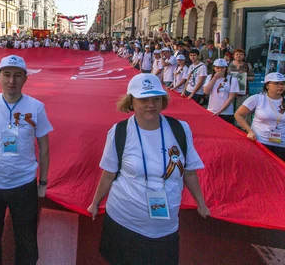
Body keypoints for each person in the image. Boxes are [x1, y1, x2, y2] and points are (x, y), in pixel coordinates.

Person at [87, 74, 209, 265]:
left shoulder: (180, 129)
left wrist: (201, 203)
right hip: (124, 221)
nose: (151, 104)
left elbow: (189, 171)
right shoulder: (119, 132)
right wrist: (95, 203)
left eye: (156, 98)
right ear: (131, 102)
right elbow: (109, 173)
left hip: (165, 227)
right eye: (143, 99)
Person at [0, 55, 52, 265]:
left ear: (25, 79)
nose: (11, 81)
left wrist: (42, 182)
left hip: (23, 185)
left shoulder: (36, 107)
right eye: (7, 75)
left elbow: (44, 148)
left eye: (17, 75)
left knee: (26, 241)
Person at [234, 73, 285, 161]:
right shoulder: (257, 98)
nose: (280, 86)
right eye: (276, 83)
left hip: (283, 144)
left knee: (277, 172)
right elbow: (238, 115)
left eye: (283, 83)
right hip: (260, 141)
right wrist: (249, 131)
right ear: (267, 85)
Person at [203, 59, 240, 124]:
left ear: (226, 68)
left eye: (222, 68)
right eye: (217, 68)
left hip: (226, 112)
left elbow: (230, 98)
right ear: (214, 68)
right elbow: (206, 91)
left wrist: (219, 111)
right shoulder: (210, 77)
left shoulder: (232, 80)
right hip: (211, 110)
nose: (220, 70)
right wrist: (214, 78)